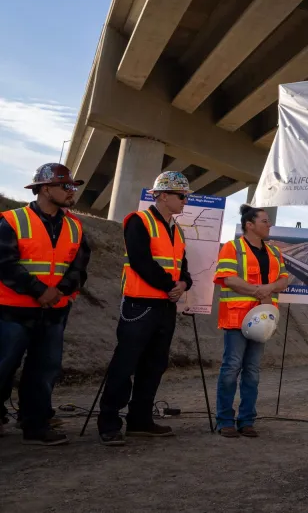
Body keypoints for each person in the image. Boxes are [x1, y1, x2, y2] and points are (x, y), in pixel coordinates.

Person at [97, 171, 193, 446]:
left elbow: (182, 267)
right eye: (181, 195)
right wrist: (170, 285)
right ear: (162, 196)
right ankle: (109, 422)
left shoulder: (177, 230)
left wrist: (184, 283)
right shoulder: (138, 221)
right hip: (140, 305)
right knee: (125, 363)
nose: (185, 200)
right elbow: (140, 261)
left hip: (165, 306)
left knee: (154, 365)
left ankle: (140, 420)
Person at [0, 163, 90, 445]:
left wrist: (59, 291)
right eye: (66, 186)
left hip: (54, 311)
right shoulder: (12, 220)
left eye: (73, 186)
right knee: (3, 366)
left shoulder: (75, 226)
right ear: (45, 188)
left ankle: (35, 424)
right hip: (12, 311)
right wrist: (39, 290)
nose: (71, 191)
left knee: (44, 369)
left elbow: (79, 267)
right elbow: (4, 263)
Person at [213, 204, 290, 437]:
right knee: (231, 368)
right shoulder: (232, 248)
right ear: (249, 225)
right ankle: (225, 420)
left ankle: (246, 420)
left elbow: (284, 279)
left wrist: (268, 289)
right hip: (237, 318)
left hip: (263, 318)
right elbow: (228, 278)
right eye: (265, 221)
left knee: (252, 371)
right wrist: (259, 291)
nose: (269, 225)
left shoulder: (274, 252)